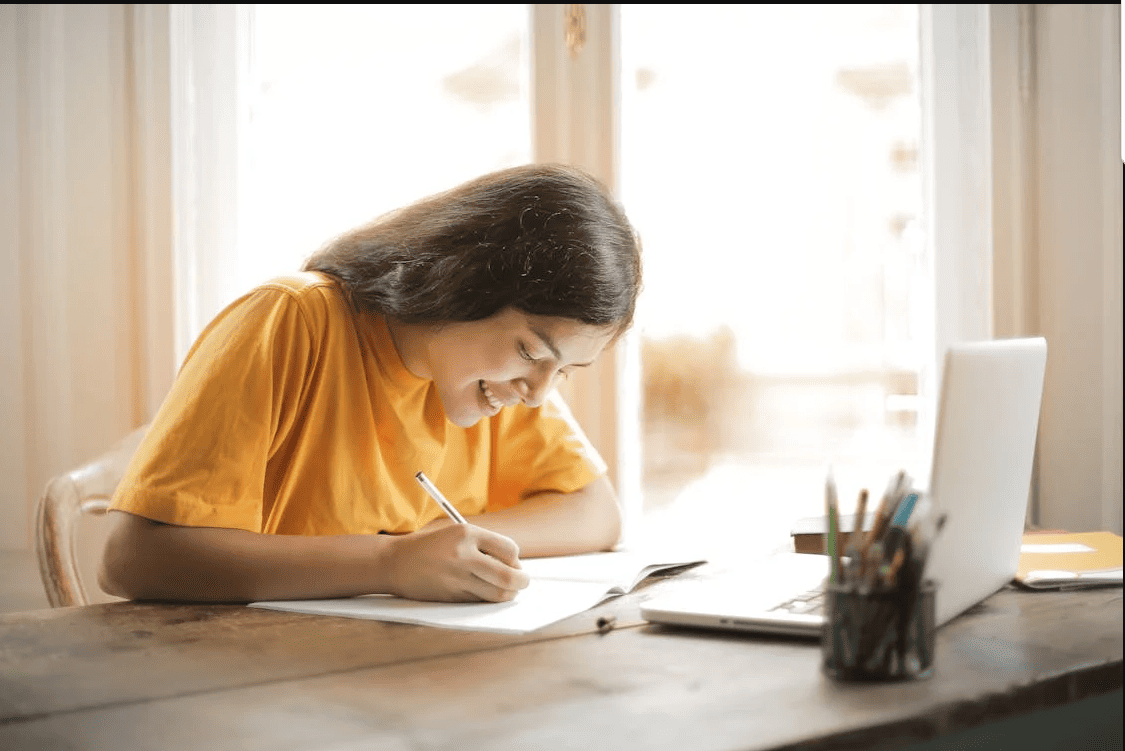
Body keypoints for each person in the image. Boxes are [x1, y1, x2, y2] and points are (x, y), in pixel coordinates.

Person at [99, 163, 642, 605]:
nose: (539, 392)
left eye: (564, 371)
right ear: (460, 284)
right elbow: (132, 559)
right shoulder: (290, 321)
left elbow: (596, 512)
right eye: (530, 352)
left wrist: (446, 545)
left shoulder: (496, 381)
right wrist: (390, 563)